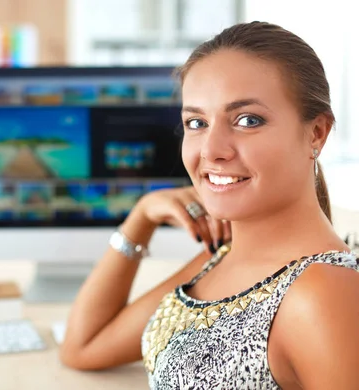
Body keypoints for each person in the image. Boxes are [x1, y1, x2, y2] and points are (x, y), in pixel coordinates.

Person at [60, 21, 359, 389]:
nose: (212, 151)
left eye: (248, 121)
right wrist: (142, 216)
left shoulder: (322, 292)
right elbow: (82, 347)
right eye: (196, 122)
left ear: (316, 133)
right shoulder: (218, 260)